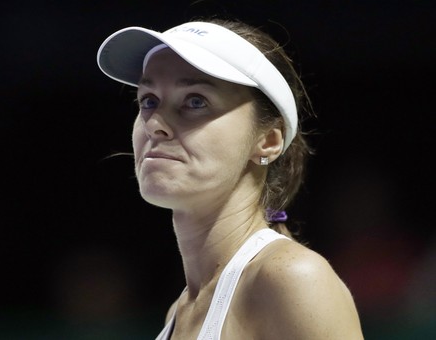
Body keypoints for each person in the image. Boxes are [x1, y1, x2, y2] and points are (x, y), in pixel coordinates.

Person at [96, 18, 364, 339]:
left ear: (268, 140)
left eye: (196, 101)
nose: (155, 123)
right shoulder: (178, 312)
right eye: (149, 100)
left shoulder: (292, 279)